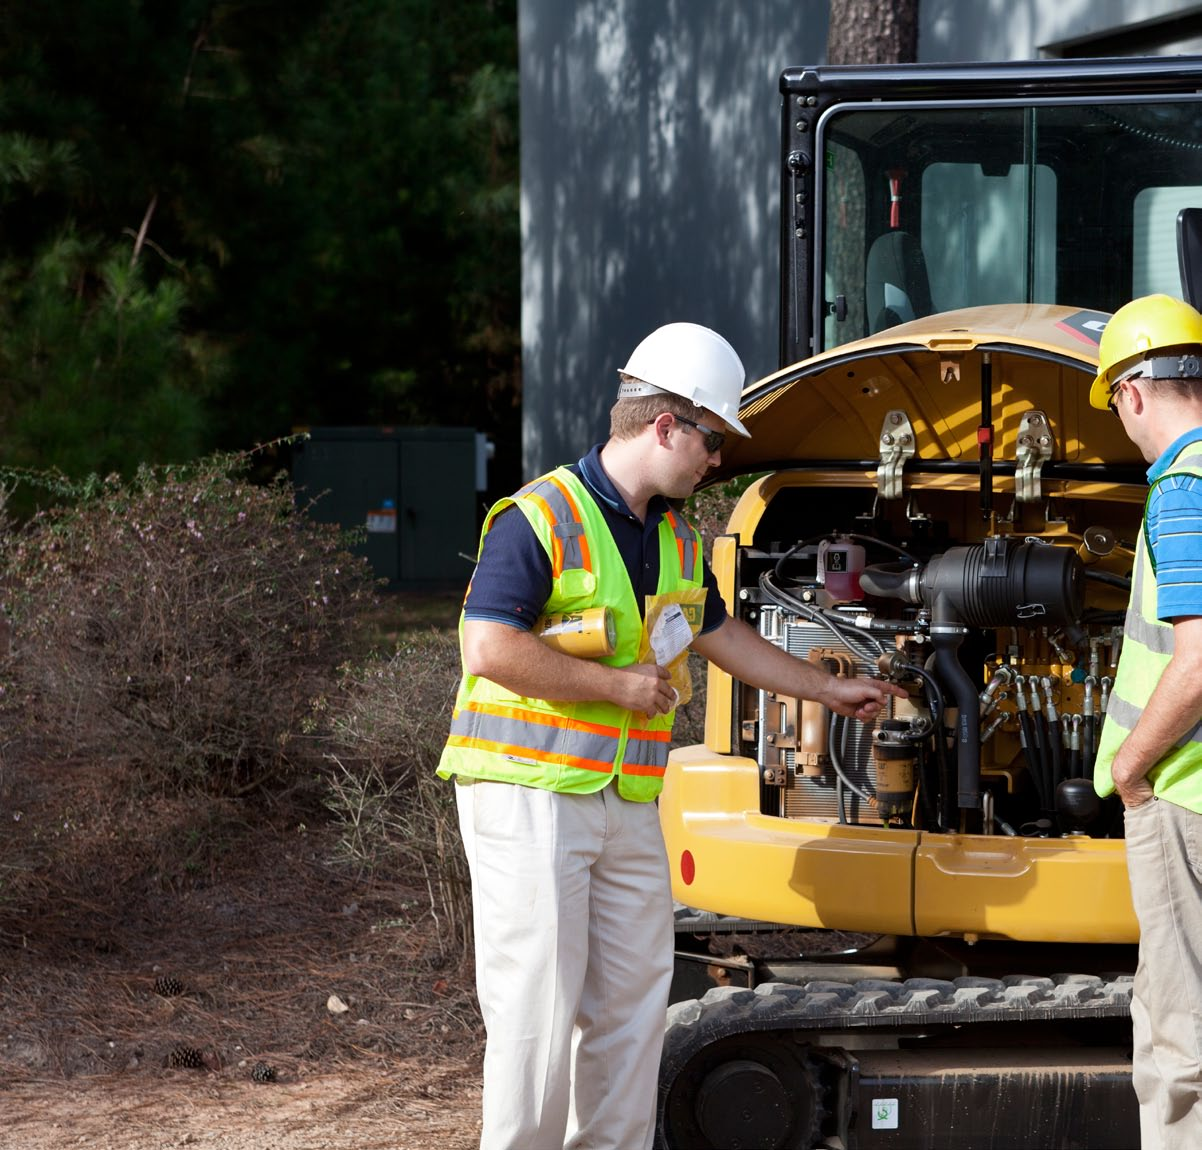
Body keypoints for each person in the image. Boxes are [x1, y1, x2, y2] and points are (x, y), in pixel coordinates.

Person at [437, 321, 904, 1150]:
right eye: (712, 438)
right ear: (665, 426)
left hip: (623, 799)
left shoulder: (678, 539)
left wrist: (831, 690)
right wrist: (617, 686)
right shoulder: (539, 517)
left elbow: (726, 640)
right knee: (538, 1012)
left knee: (630, 1005)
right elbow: (488, 646)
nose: (716, 459)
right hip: (529, 794)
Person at [1090, 294, 1202, 1150]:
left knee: (1176, 1037)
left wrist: (1130, 767)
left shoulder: (1181, 488)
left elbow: (1198, 658)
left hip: (1183, 797)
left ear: (1133, 391)